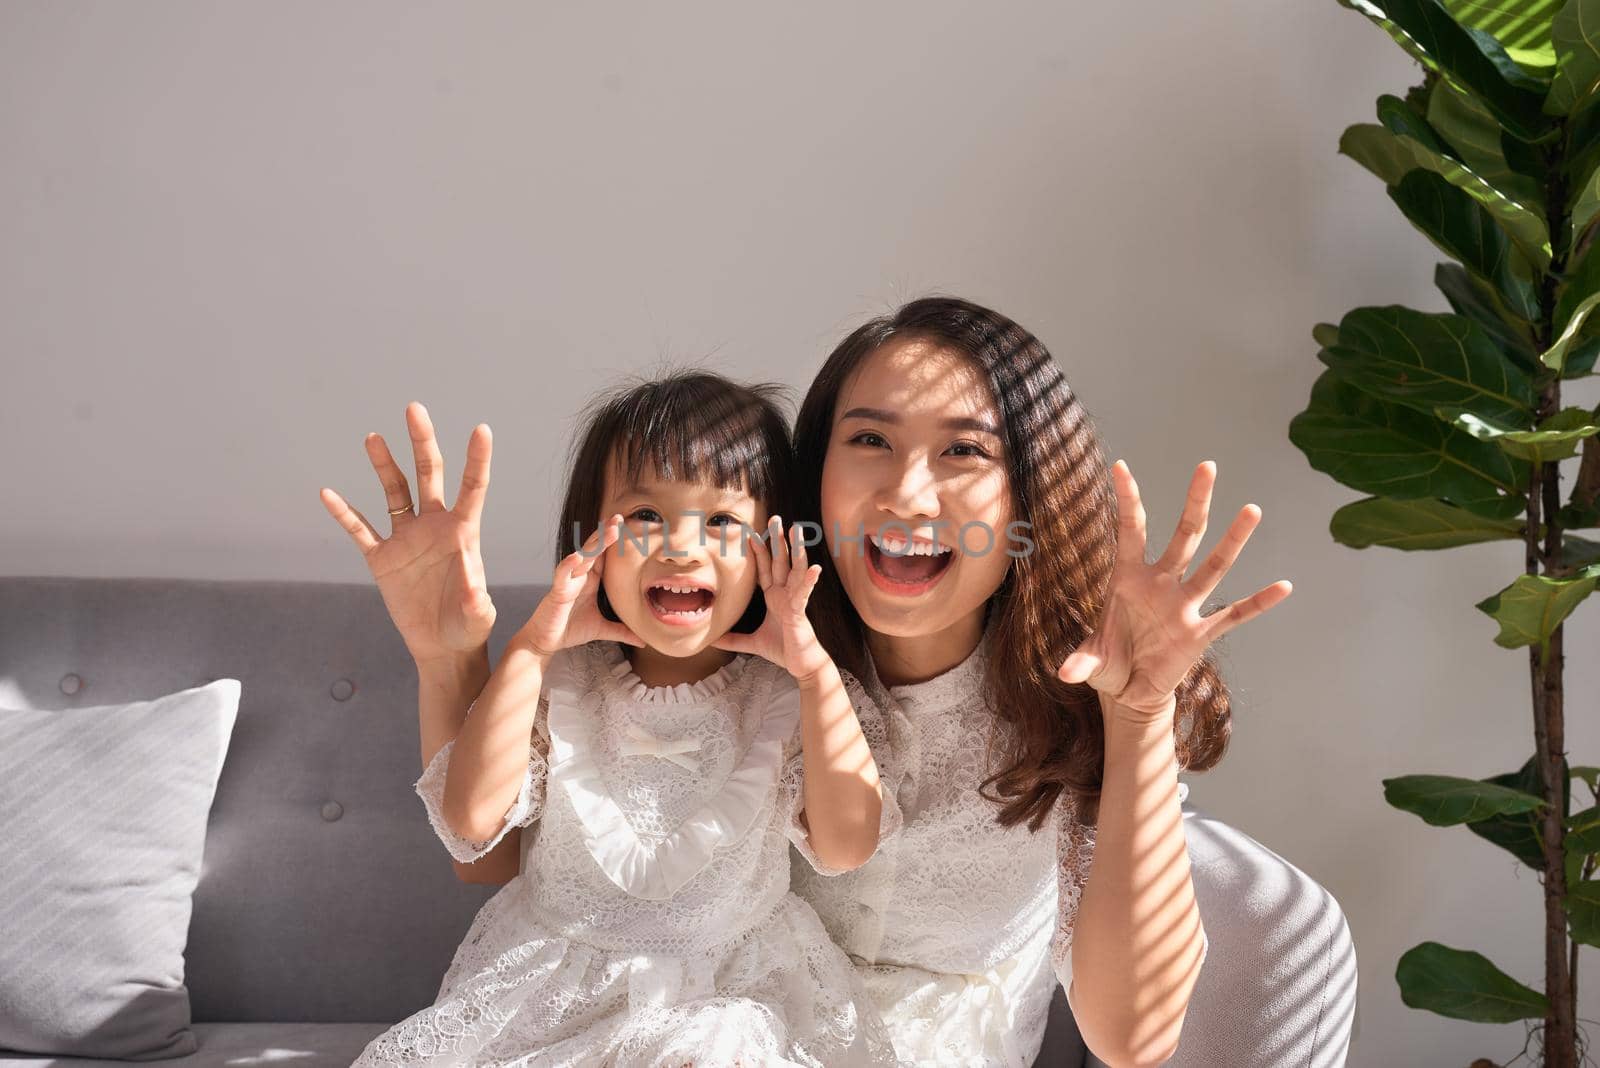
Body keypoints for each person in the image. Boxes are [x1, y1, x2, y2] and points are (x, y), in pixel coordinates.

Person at [324, 372, 898, 1067]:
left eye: (722, 521)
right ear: (589, 536)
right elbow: (472, 825)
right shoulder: (558, 676)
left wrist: (812, 673)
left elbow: (846, 847)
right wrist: (531, 648)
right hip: (554, 998)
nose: (680, 547)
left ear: (774, 549)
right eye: (645, 516)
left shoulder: (790, 691)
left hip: (730, 996)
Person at [781, 295, 1292, 1067]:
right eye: (869, 439)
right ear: (816, 471)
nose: (907, 493)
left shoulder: (1078, 704)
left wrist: (1140, 714)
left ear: (1030, 496)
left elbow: (1134, 1039)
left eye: (964, 453)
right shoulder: (748, 659)